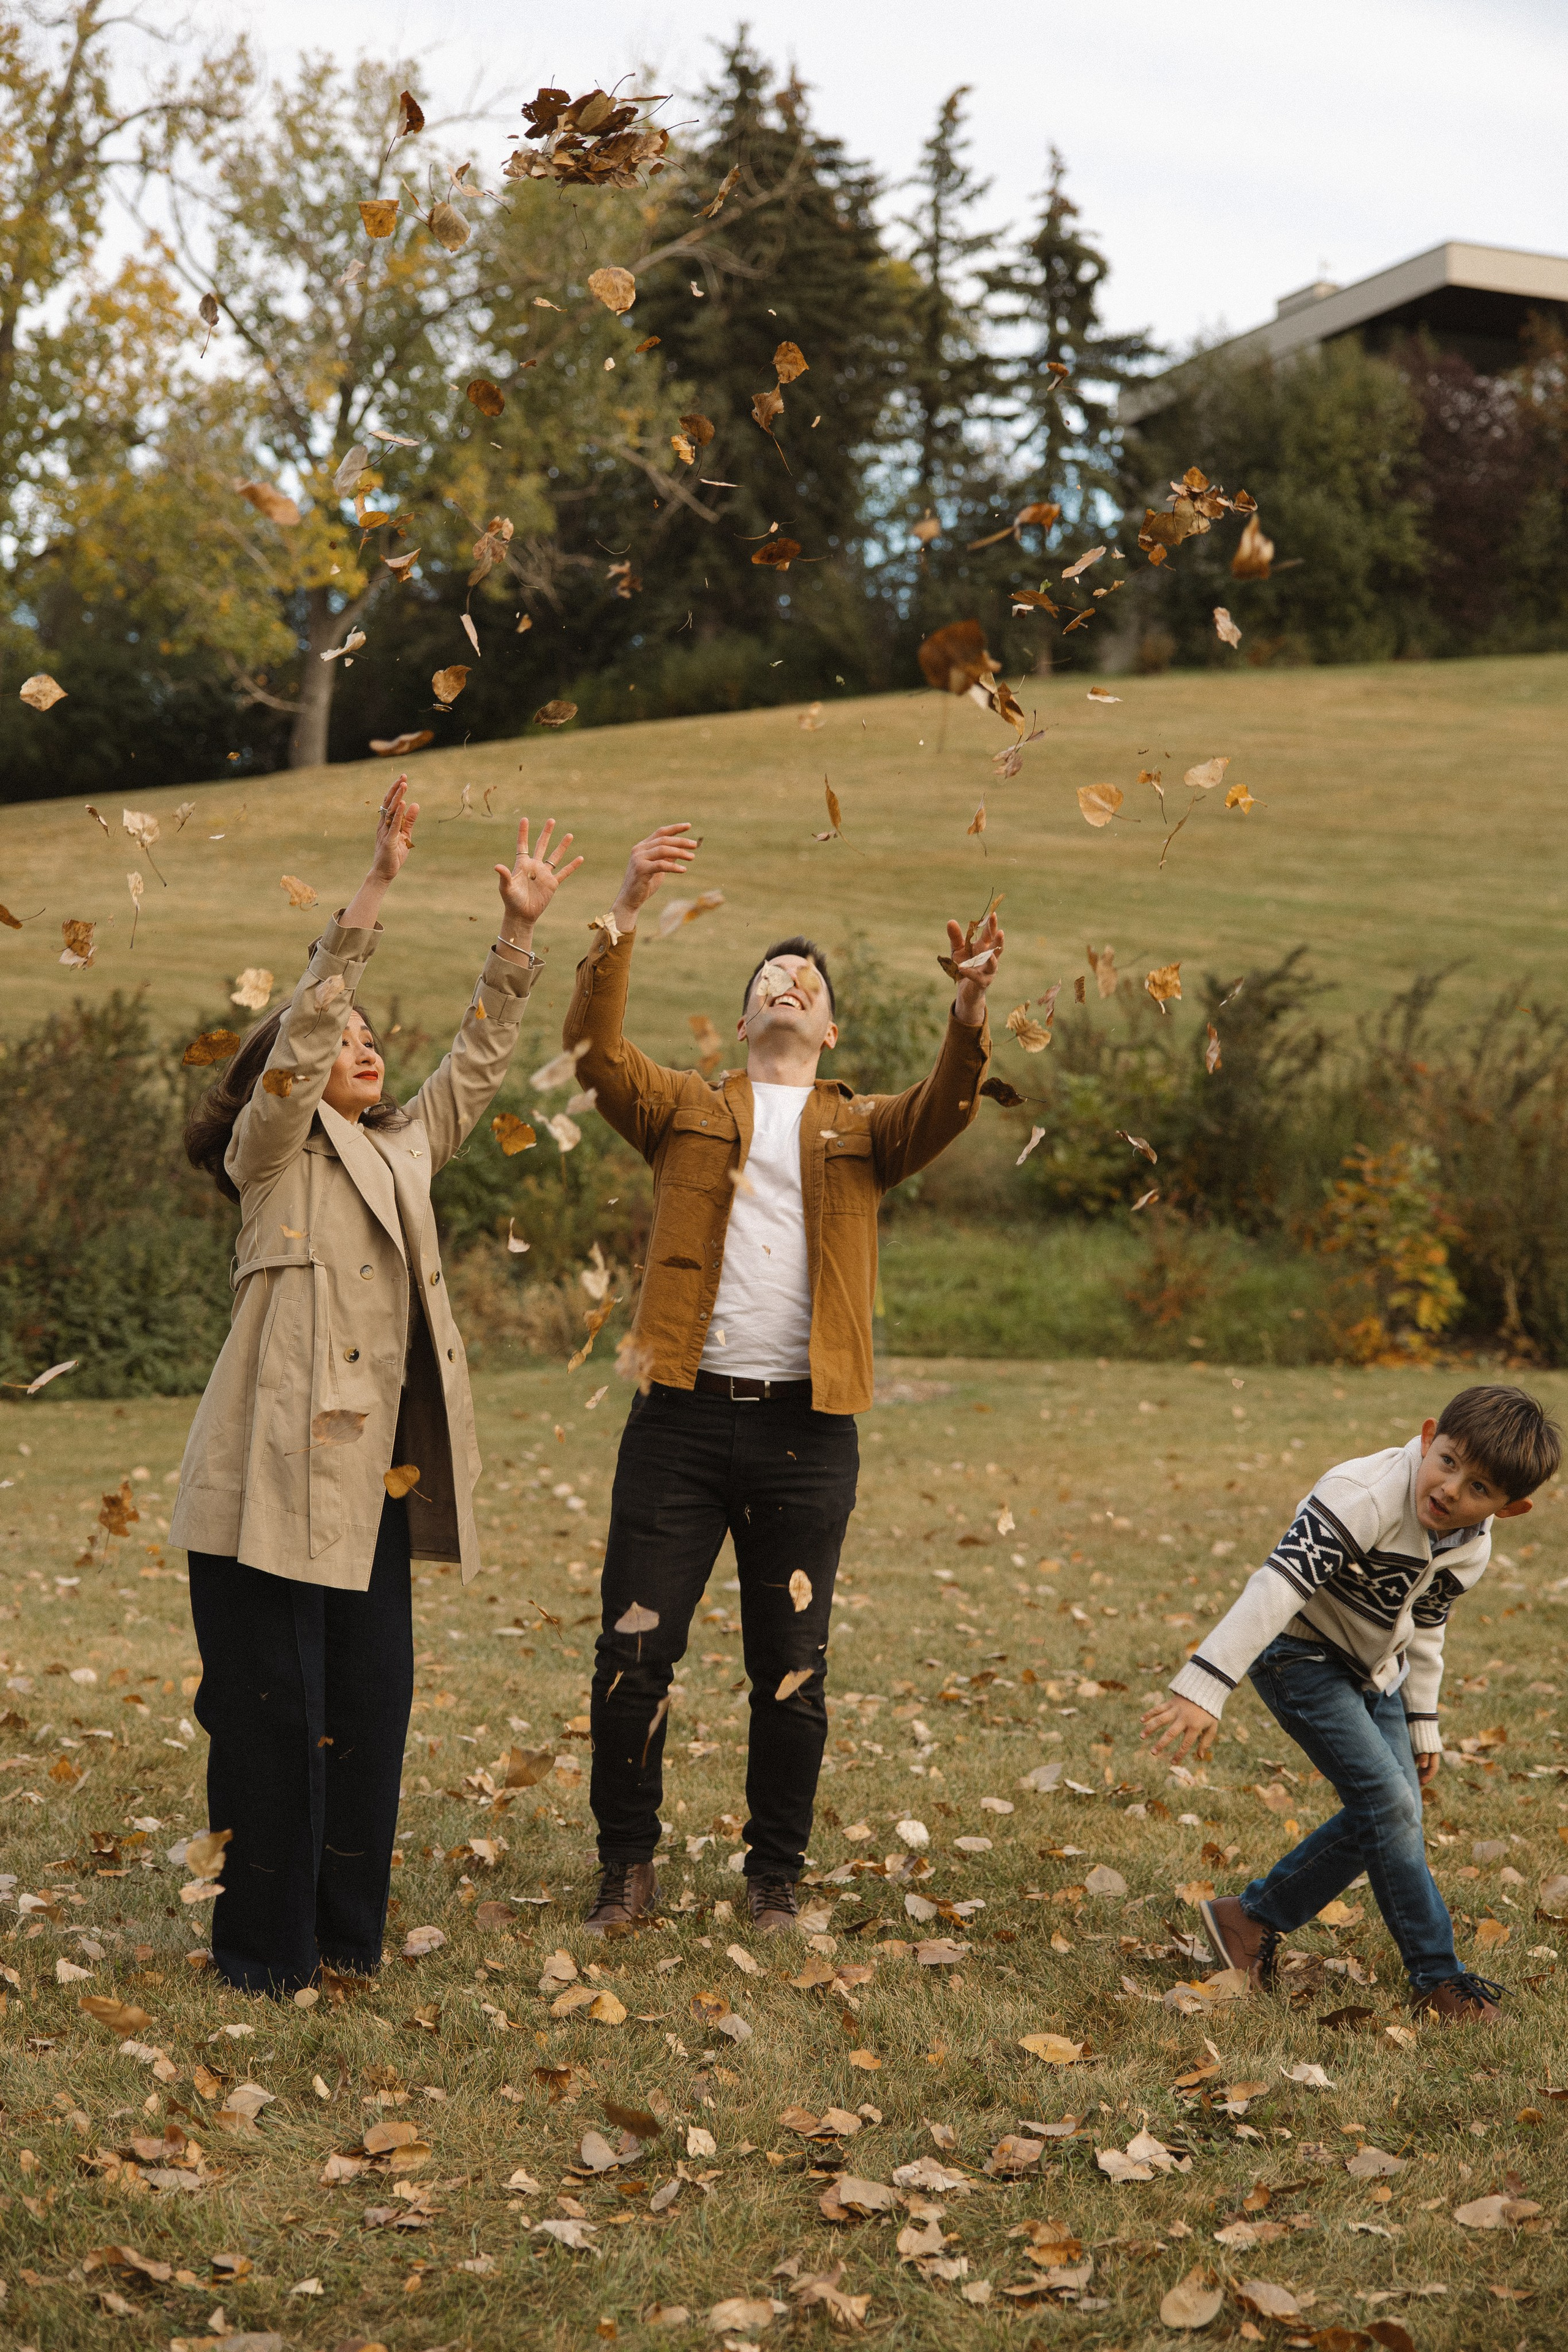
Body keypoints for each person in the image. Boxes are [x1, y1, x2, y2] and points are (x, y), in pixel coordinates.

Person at [172, 781, 582, 1994]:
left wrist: (516, 938)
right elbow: (300, 1042)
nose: (366, 1049)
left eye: (369, 1042)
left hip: (369, 1494)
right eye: (345, 1041)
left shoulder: (401, 1152)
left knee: (368, 1720)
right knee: (269, 1727)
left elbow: (475, 1066)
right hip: (261, 1488)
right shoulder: (270, 1160)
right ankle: (261, 1956)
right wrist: (377, 890)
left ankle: (344, 1938)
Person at [562, 822, 1004, 1937]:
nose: (788, 982)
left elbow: (948, 1107)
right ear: (750, 1012)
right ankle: (625, 1870)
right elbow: (594, 1055)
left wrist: (968, 1012)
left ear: (830, 1024)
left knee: (791, 1666)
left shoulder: (863, 1125)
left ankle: (775, 1880)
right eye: (771, 974)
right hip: (678, 1422)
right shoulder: (686, 1108)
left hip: (809, 1437)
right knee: (634, 1649)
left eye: (806, 978)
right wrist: (620, 913)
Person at [1141, 1384, 1561, 2022]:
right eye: (1447, 1462)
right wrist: (1207, 1684)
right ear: (1427, 1438)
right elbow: (1277, 1585)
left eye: (1478, 1488)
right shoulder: (1363, 1494)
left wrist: (1423, 1722)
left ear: (1510, 1508)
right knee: (1388, 1807)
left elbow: (1424, 1625)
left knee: (1395, 1816)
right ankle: (1437, 1979)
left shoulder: (1470, 1544)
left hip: (1376, 1672)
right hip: (1298, 1654)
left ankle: (1247, 1919)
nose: (1451, 1490)